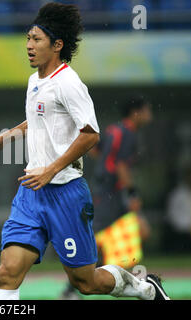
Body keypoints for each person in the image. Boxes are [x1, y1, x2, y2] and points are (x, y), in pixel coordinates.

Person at [0, 3, 169, 300]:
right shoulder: (35, 80)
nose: (29, 45)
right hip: (31, 192)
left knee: (86, 283)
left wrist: (51, 169)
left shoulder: (68, 83)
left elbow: (91, 134)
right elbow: (38, 119)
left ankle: (144, 288)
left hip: (66, 193)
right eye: (28, 38)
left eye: (36, 39)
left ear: (57, 45)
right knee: (7, 271)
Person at [61, 95, 154, 299]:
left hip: (105, 189)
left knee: (122, 236)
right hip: (111, 192)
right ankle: (73, 287)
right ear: (135, 112)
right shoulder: (128, 133)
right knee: (99, 239)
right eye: (147, 110)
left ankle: (127, 278)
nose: (150, 115)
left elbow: (96, 149)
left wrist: (105, 168)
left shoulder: (114, 130)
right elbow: (120, 165)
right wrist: (132, 194)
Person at [164, 163, 191, 253]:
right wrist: (185, 226)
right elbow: (172, 213)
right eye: (190, 176)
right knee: (183, 254)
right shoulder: (177, 194)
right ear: (186, 177)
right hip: (183, 232)